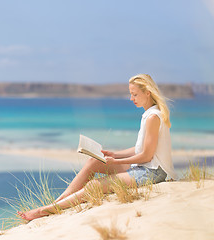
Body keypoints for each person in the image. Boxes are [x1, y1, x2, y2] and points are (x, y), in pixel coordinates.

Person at [18, 74, 178, 221]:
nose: (131, 98)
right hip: (144, 167)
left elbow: (146, 156)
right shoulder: (149, 114)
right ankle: (58, 202)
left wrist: (114, 162)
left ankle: (45, 211)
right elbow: (140, 149)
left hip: (153, 172)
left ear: (147, 92)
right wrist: (115, 154)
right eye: (131, 94)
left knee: (95, 185)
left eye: (135, 94)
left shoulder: (152, 117)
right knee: (92, 162)